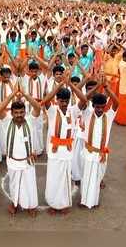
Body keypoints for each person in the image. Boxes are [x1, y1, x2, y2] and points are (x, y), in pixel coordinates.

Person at [42, 77, 87, 215]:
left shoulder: (72, 110)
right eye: (61, 101)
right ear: (57, 100)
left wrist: (71, 87)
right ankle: (53, 204)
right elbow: (46, 100)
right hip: (54, 151)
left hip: (67, 151)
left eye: (66, 101)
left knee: (65, 178)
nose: (64, 103)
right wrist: (60, 85)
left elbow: (84, 100)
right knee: (53, 178)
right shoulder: (52, 111)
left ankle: (64, 204)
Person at [0, 82, 41, 217]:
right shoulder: (6, 121)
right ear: (12, 113)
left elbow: (38, 108)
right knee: (14, 184)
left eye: (21, 112)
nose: (19, 115)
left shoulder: (30, 120)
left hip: (28, 161)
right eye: (16, 112)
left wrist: (25, 94)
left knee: (30, 185)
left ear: (25, 112)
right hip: (13, 161)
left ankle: (31, 206)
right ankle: (15, 203)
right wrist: (13, 94)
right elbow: (0, 110)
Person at [79, 75, 119, 209]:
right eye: (98, 107)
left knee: (96, 179)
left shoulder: (109, 116)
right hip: (88, 152)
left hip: (101, 154)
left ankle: (94, 201)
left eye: (102, 107)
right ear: (93, 105)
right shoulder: (87, 113)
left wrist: (106, 87)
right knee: (86, 178)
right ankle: (85, 201)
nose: (100, 109)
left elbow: (116, 103)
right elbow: (83, 99)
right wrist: (97, 87)